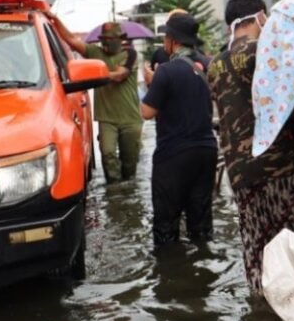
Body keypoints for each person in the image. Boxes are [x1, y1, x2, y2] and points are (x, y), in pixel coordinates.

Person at [207, 0, 294, 295]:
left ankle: (263, 315)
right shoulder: (265, 51)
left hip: (240, 174)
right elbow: (289, 98)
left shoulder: (215, 65)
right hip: (282, 167)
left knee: (259, 251)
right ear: (261, 17)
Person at [141, 13, 218, 247]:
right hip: (206, 150)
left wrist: (151, 82)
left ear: (172, 40)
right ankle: (204, 260)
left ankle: (171, 265)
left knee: (166, 224)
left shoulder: (166, 71)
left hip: (174, 155)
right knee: (201, 223)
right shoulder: (209, 65)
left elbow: (147, 112)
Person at [51, 17, 142, 183]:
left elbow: (120, 75)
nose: (106, 43)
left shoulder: (130, 54)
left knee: (130, 164)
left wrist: (100, 74)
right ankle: (114, 189)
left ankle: (128, 189)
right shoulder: (95, 53)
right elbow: (71, 40)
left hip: (130, 119)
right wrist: (54, 19)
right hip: (106, 119)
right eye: (104, 39)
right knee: (107, 153)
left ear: (119, 39)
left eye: (110, 39)